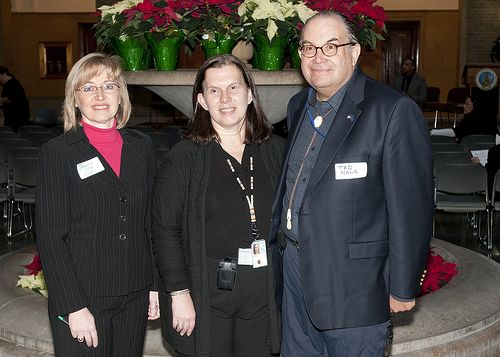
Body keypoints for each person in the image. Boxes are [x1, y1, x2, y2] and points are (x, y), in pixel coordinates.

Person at [269, 11, 434, 357]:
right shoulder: (298, 104)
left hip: (354, 285)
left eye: (331, 46)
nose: (319, 57)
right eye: (309, 48)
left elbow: (411, 209)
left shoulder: (391, 111)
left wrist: (403, 287)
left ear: (355, 52)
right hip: (296, 270)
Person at [151, 54, 284, 357]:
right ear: (201, 100)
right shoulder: (184, 157)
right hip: (207, 290)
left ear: (249, 94)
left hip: (263, 288)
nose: (225, 98)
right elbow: (163, 229)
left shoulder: (276, 150)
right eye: (214, 90)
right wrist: (179, 292)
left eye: (234, 88)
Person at [36, 52, 160, 356]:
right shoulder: (59, 152)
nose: (100, 95)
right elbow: (50, 236)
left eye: (109, 85)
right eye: (88, 88)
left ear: (121, 94)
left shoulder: (142, 147)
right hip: (84, 292)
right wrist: (72, 306)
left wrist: (155, 284)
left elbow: (151, 222)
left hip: (134, 290)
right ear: (75, 99)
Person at [431, 95, 496, 142]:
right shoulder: (491, 120)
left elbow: (455, 132)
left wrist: (433, 132)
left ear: (474, 106)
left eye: (467, 104)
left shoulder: (469, 119)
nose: (464, 106)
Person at [0, 66, 30, 132]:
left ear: (4, 74)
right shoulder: (9, 84)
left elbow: (13, 98)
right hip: (11, 118)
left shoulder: (14, 83)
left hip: (17, 119)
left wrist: (2, 100)